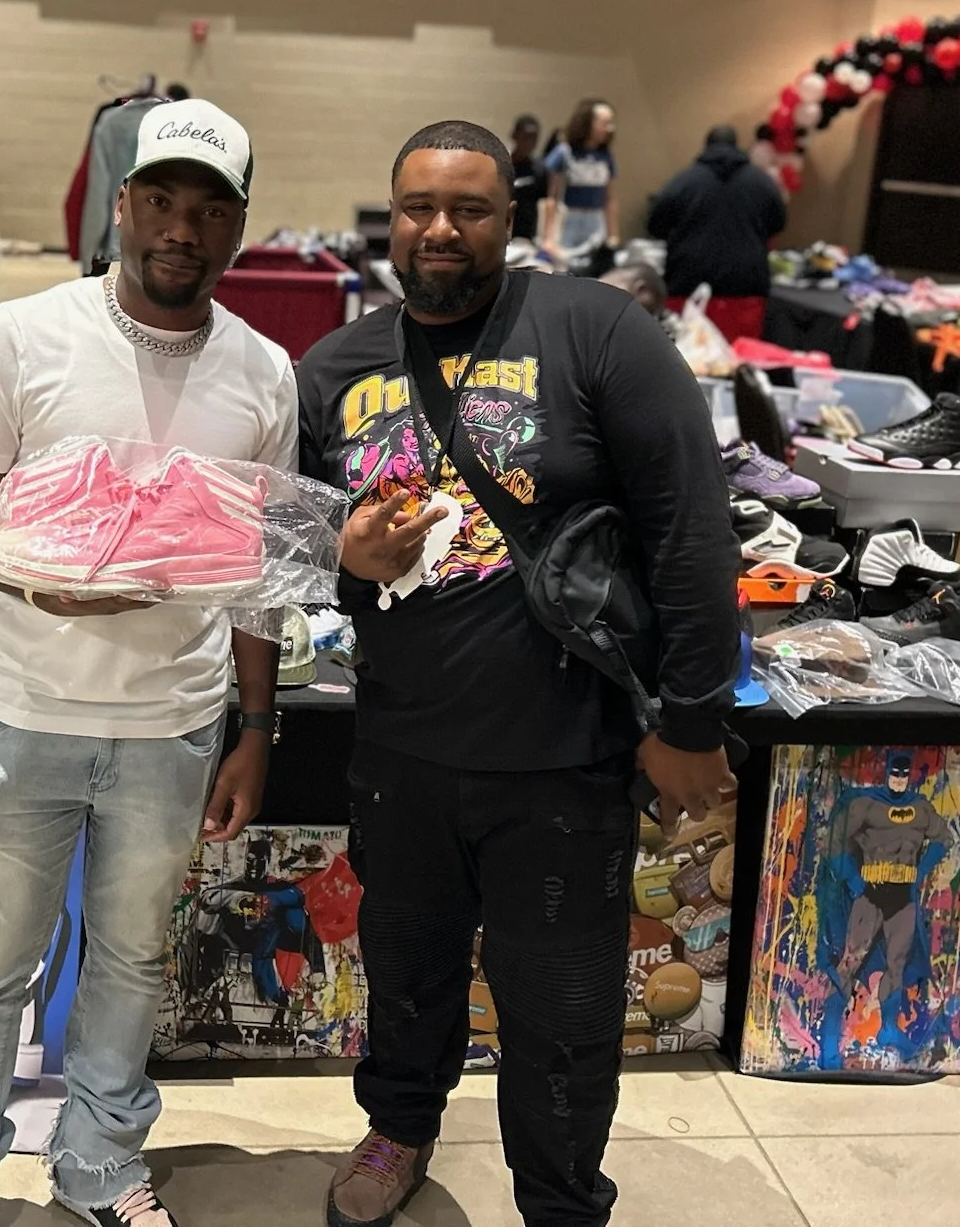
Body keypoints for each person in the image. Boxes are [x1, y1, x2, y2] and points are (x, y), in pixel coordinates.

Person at [297, 120, 739, 1227]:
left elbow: (689, 531)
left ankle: (558, 1201)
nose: (439, 229)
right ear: (387, 217)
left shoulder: (598, 333)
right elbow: (292, 551)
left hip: (562, 760)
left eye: (469, 208)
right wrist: (342, 562)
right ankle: (398, 1127)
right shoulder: (335, 365)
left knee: (562, 1016)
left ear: (515, 218)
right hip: (399, 751)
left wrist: (691, 715)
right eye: (416, 207)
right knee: (403, 976)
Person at [0, 99, 294, 1227]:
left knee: (131, 966)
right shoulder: (23, 337)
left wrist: (253, 731)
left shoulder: (265, 374)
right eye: (160, 200)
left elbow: (262, 568)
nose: (181, 227)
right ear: (120, 204)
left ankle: (99, 1169)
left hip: (171, 728)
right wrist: (28, 569)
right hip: (22, 714)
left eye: (208, 209)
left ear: (236, 229)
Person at [646, 124, 786, 344]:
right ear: (737, 146)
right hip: (746, 287)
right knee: (739, 361)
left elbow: (655, 225)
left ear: (705, 146)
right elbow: (778, 224)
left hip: (688, 284)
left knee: (682, 358)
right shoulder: (762, 182)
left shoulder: (684, 180)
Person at [542, 98, 619, 255]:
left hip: (596, 220)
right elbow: (552, 198)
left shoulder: (606, 156)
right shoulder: (564, 152)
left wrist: (613, 234)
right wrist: (548, 238)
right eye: (604, 123)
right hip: (570, 219)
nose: (609, 129)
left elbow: (610, 198)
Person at [506, 113, 542, 241]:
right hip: (502, 233)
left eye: (534, 138)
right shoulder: (502, 166)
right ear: (514, 135)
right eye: (526, 137)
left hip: (526, 237)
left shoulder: (539, 170)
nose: (530, 143)